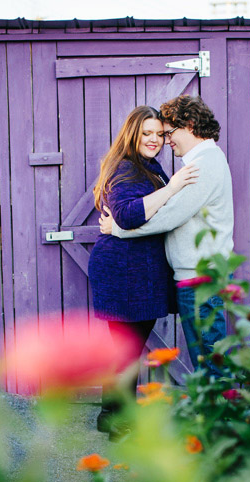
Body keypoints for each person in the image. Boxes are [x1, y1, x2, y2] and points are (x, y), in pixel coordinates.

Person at [100, 95, 234, 376]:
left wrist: (119, 229)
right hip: (194, 277)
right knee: (206, 354)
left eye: (167, 133)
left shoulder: (204, 165)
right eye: (155, 134)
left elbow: (171, 215)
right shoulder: (198, 162)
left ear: (191, 125)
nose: (166, 141)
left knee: (208, 357)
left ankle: (216, 418)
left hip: (201, 279)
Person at [88, 105, 199, 435]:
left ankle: (111, 415)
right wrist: (175, 185)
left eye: (159, 134)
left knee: (125, 348)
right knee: (127, 349)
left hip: (136, 271)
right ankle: (119, 422)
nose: (154, 140)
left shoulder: (146, 166)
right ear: (132, 134)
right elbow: (128, 214)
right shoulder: (127, 169)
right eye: (146, 133)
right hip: (124, 272)